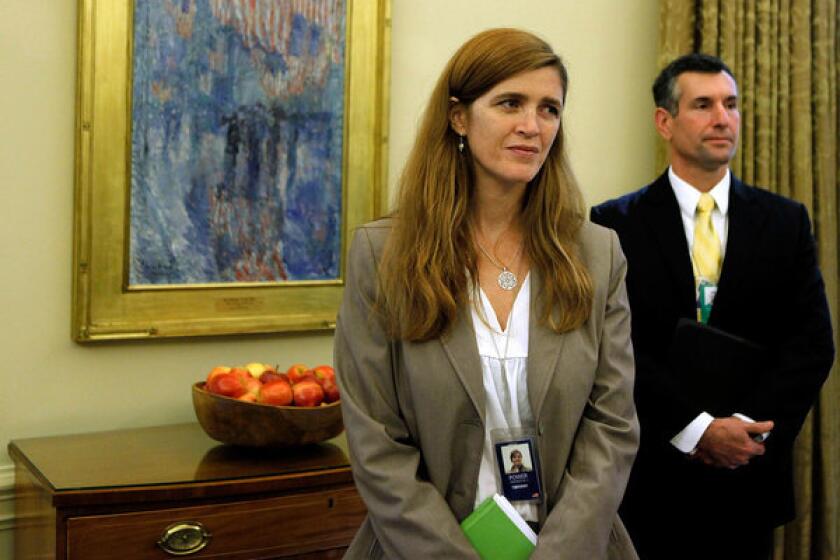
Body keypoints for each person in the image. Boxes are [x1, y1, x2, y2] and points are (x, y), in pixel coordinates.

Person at [335, 28, 639, 559]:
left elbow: (611, 427)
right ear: (459, 117)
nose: (531, 126)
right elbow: (377, 443)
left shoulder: (597, 253)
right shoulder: (383, 255)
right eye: (510, 103)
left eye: (549, 109)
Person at [591, 53, 835, 560]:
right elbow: (615, 346)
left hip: (748, 479)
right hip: (652, 478)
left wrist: (743, 431)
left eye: (731, 104)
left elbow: (811, 345)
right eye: (703, 105)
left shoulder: (785, 221)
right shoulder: (613, 225)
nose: (722, 118)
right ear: (665, 120)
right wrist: (697, 430)